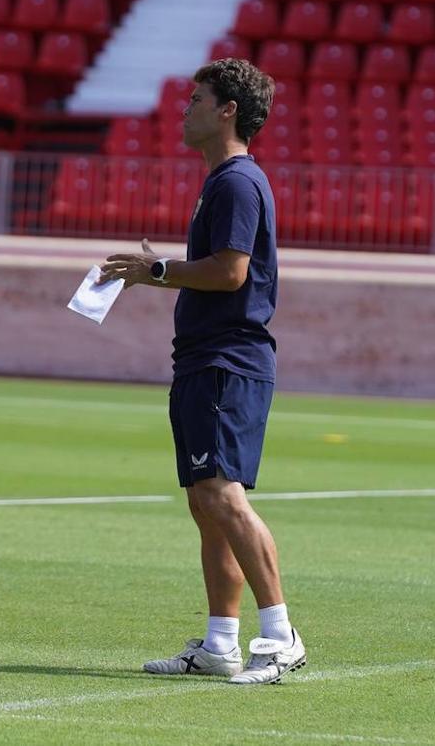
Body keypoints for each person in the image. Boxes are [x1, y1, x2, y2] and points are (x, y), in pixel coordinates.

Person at [99, 58, 306, 684]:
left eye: (196, 99)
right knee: (205, 502)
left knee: (221, 494)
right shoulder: (222, 181)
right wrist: (156, 272)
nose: (183, 109)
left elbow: (231, 271)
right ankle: (220, 643)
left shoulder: (238, 183)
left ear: (227, 112)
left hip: (228, 358)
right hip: (203, 358)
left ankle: (280, 634)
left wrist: (158, 270)